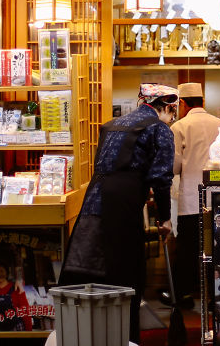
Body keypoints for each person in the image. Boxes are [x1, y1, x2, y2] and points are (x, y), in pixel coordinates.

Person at [60, 83, 177, 343]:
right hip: (123, 206)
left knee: (87, 269)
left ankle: (82, 335)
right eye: (173, 112)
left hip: (94, 200)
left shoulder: (111, 125)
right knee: (126, 277)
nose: (172, 117)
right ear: (169, 107)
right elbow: (160, 177)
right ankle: (125, 338)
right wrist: (165, 218)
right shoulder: (159, 129)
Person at [169, 82, 220, 305]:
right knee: (216, 250)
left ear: (182, 103)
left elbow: (174, 167)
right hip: (217, 198)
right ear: (202, 101)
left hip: (191, 199)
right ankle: (215, 296)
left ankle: (186, 296)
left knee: (188, 251)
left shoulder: (179, 127)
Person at [0, 261, 32, 331]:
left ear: (7, 273)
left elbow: (25, 311)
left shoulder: (16, 288)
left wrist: (29, 332)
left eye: (1, 271)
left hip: (16, 328)